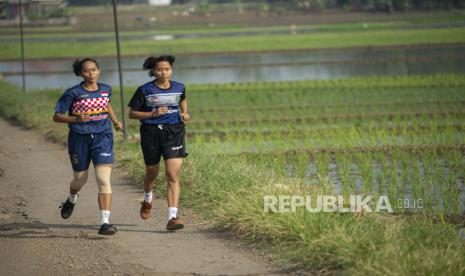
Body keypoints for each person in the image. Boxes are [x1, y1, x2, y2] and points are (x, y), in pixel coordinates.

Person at [53, 58, 123, 235]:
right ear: (80, 73)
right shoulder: (73, 93)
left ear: (99, 70)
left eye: (94, 70)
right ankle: (72, 198)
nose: (91, 73)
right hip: (79, 138)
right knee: (79, 180)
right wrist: (76, 119)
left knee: (103, 180)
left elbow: (106, 104)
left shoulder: (106, 89)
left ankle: (105, 222)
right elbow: (57, 116)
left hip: (103, 137)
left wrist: (115, 122)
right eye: (86, 71)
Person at [128, 55, 190, 231]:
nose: (163, 72)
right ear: (153, 71)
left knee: (172, 174)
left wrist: (184, 112)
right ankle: (147, 199)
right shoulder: (144, 90)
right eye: (159, 69)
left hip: (174, 132)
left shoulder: (179, 87)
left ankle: (172, 217)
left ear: (171, 70)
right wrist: (152, 114)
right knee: (152, 173)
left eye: (167, 69)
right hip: (151, 133)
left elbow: (182, 99)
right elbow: (132, 114)